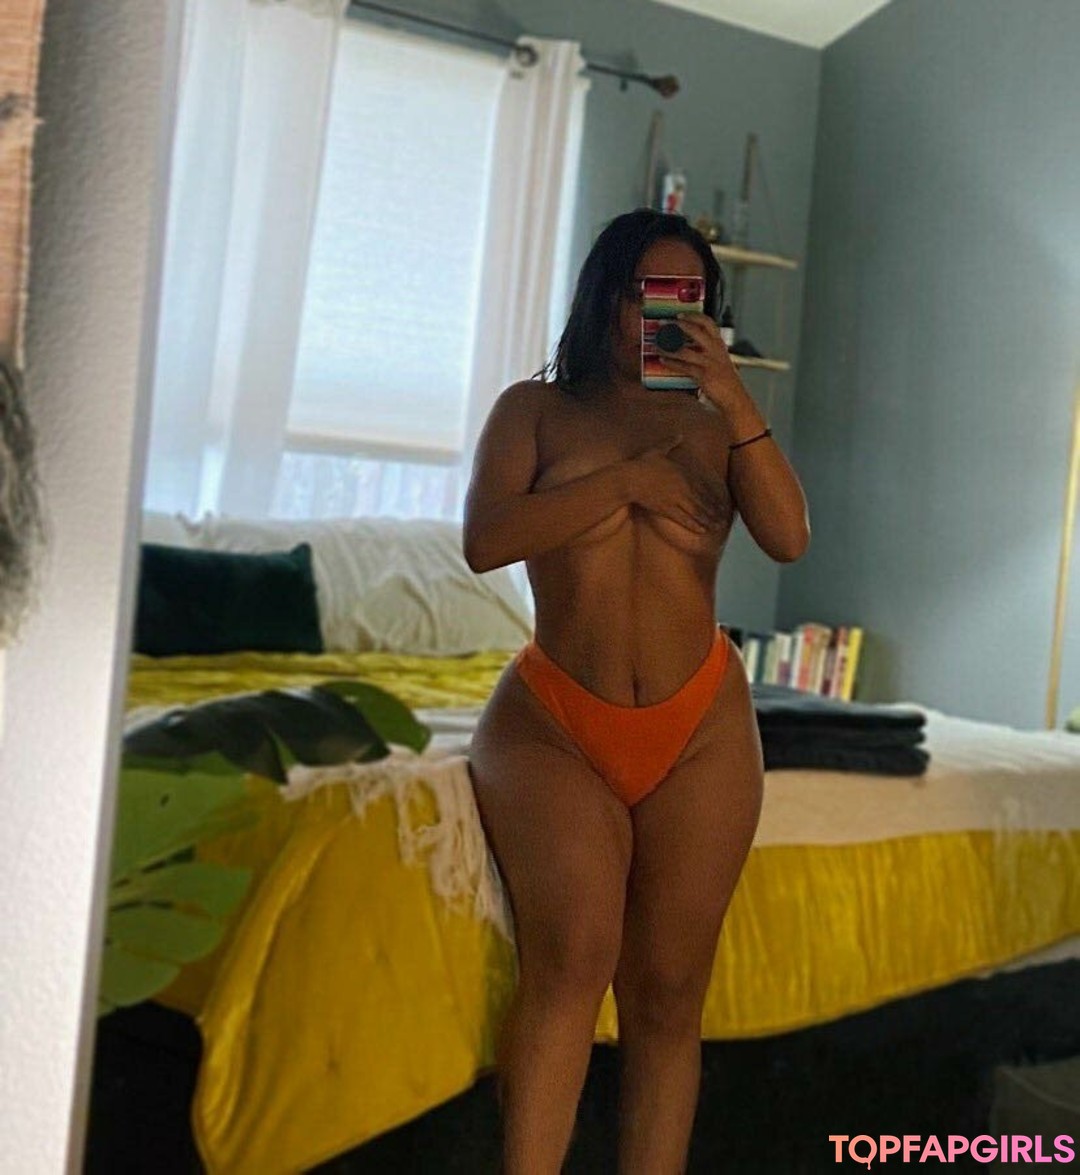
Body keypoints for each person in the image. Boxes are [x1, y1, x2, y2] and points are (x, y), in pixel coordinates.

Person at [463, 208, 810, 1174]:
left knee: (668, 992)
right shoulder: (533, 411)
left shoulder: (717, 425)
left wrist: (732, 395)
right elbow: (486, 539)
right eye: (646, 293)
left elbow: (789, 538)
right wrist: (623, 485)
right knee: (572, 957)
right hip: (554, 722)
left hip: (700, 726)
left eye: (686, 296)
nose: (663, 314)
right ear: (605, 297)